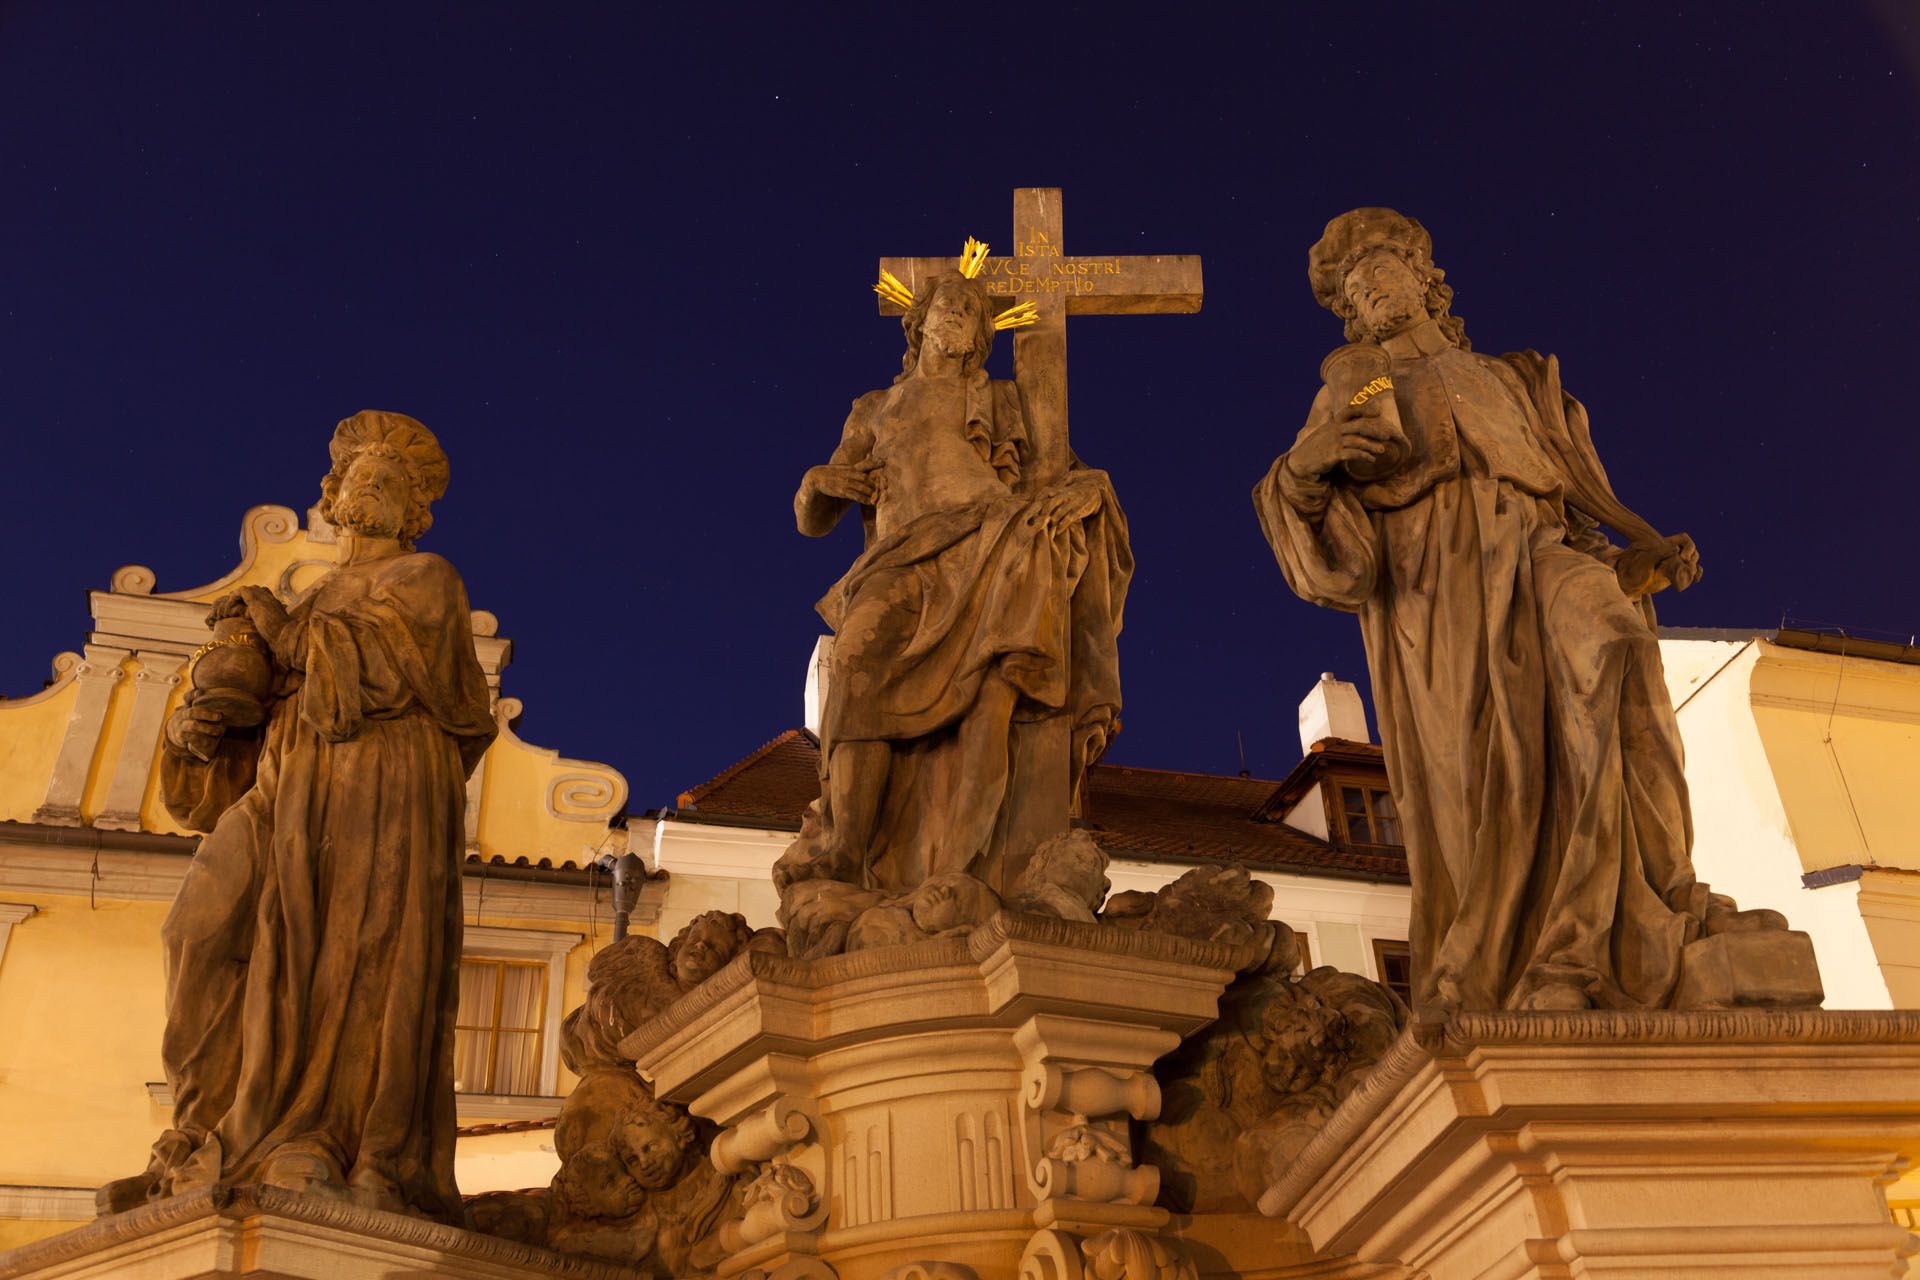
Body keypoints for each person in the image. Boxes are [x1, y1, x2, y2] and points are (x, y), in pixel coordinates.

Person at [1255, 209, 1804, 1014]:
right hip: (1440, 588)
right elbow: (1307, 511)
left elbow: (1574, 499)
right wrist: (1310, 463)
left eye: (1385, 274)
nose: (1374, 294)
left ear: (1426, 283)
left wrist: (1631, 557)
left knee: (1619, 659)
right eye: (1357, 292)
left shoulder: (1515, 378)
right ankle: (1552, 952)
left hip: (1544, 550)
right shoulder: (1361, 385)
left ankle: (1659, 900)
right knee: (1491, 776)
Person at [101, 411, 495, 1220]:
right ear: (334, 495)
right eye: (364, 476)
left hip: (379, 780)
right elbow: (255, 726)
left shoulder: (426, 578)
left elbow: (381, 675)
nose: (376, 488)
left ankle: (330, 1136)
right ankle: (202, 1133)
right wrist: (196, 730)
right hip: (287, 780)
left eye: (396, 482)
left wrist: (279, 633)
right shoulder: (309, 595)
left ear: (415, 510)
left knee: (358, 949)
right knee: (200, 930)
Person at [775, 268, 1131, 901]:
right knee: (855, 677)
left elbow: (1056, 469)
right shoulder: (876, 408)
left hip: (991, 545)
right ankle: (846, 850)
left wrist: (1088, 488)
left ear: (981, 336)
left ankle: (971, 863)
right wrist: (816, 482)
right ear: (919, 325)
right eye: (948, 310)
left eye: (971, 314)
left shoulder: (1003, 401)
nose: (959, 321)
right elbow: (812, 517)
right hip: (900, 559)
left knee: (992, 703)